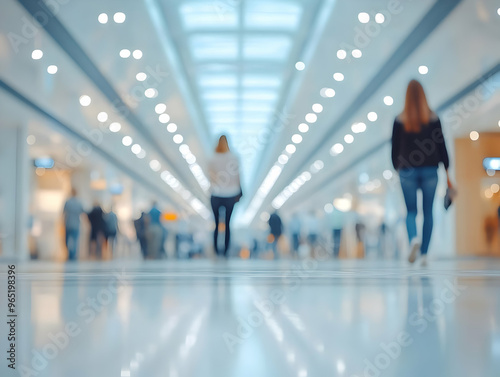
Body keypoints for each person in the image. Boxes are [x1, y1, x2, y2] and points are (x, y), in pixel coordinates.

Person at [391, 80, 453, 266]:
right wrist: (447, 168)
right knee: (428, 212)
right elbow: (441, 145)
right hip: (430, 170)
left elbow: (394, 148)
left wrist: (397, 166)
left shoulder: (400, 120)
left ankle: (413, 240)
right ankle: (424, 254)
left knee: (410, 211)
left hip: (407, 170)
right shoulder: (433, 119)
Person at [208, 135, 241, 257]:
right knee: (227, 223)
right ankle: (226, 250)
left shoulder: (212, 158)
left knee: (216, 223)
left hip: (216, 193)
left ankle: (216, 251)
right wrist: (238, 190)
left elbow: (211, 176)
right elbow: (237, 175)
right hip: (231, 194)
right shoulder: (234, 157)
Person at [63, 188, 84, 261]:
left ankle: (70, 254)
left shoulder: (67, 202)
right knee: (75, 241)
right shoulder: (79, 203)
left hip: (68, 224)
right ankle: (73, 255)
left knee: (67, 240)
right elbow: (83, 212)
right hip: (76, 225)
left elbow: (63, 213)